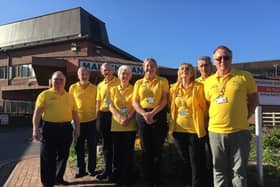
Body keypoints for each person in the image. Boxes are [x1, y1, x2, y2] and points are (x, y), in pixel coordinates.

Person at [204, 45, 259, 187]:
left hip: (239, 131)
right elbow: (208, 103)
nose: (223, 61)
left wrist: (243, 117)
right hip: (215, 132)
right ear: (214, 61)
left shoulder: (244, 76)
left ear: (231, 59)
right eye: (219, 58)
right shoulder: (208, 82)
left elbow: (253, 100)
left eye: (226, 57)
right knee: (218, 170)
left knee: (239, 172)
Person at [32, 71, 80, 187]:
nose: (58, 82)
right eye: (55, 79)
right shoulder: (45, 95)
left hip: (66, 129)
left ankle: (58, 178)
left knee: (63, 156)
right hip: (49, 128)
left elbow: (75, 114)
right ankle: (47, 183)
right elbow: (37, 114)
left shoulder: (70, 96)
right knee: (47, 157)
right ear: (51, 81)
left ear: (65, 82)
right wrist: (35, 129)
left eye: (61, 80)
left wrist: (77, 128)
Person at [169, 63, 207, 187]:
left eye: (187, 69)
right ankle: (186, 183)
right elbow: (171, 106)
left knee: (195, 161)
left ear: (192, 73)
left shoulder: (199, 87)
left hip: (194, 130)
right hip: (178, 130)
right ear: (179, 72)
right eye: (182, 69)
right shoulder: (173, 88)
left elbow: (204, 107)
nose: (184, 71)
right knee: (184, 160)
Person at [132, 58, 169, 187]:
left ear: (156, 68)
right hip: (142, 116)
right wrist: (144, 114)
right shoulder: (138, 83)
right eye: (147, 66)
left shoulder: (163, 81)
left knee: (157, 149)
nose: (149, 68)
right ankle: (147, 179)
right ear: (143, 68)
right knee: (146, 149)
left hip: (158, 115)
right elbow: (135, 102)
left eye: (152, 66)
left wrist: (152, 113)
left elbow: (164, 100)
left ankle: (157, 179)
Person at [109, 65, 137, 186]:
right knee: (117, 153)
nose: (124, 76)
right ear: (118, 75)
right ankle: (117, 176)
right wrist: (120, 117)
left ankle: (127, 178)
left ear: (130, 76)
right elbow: (110, 105)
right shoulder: (113, 89)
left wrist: (127, 118)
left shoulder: (135, 88)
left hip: (130, 125)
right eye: (122, 73)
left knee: (128, 153)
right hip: (116, 125)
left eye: (127, 73)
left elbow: (136, 105)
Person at [69, 67, 98, 178]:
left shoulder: (94, 88)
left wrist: (97, 119)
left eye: (86, 74)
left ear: (89, 75)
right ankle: (81, 170)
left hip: (91, 121)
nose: (84, 76)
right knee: (78, 147)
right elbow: (70, 105)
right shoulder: (72, 88)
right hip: (78, 122)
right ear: (78, 75)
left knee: (92, 146)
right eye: (82, 74)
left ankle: (92, 169)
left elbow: (97, 104)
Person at [96, 63, 120, 180]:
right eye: (105, 70)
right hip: (104, 115)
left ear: (113, 71)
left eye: (109, 70)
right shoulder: (100, 85)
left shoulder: (119, 81)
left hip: (116, 115)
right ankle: (107, 170)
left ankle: (115, 171)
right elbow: (98, 102)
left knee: (116, 143)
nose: (107, 72)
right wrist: (97, 118)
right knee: (106, 144)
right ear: (102, 72)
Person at [196, 56, 214, 187]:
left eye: (206, 65)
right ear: (198, 68)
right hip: (199, 124)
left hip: (214, 123)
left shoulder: (216, 80)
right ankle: (203, 182)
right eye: (201, 65)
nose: (204, 68)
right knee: (199, 155)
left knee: (215, 155)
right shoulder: (195, 83)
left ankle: (214, 181)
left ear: (211, 66)